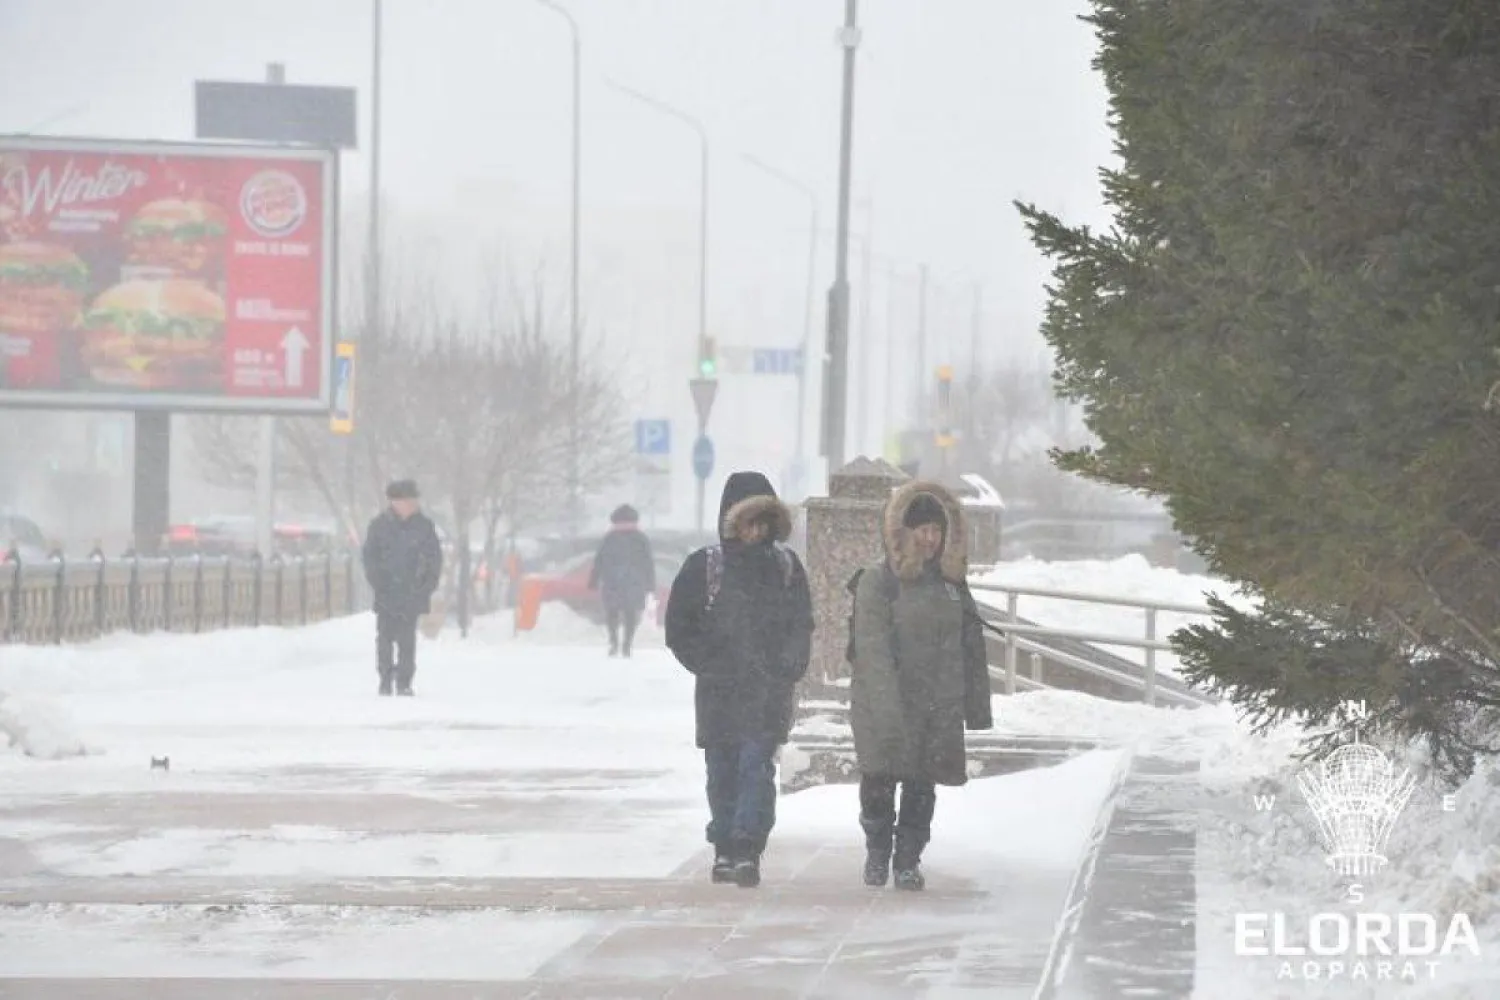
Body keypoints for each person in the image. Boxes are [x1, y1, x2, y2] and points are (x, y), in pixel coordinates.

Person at [665, 472, 814, 888]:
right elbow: (679, 627)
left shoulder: (785, 567)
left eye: (764, 522)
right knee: (722, 771)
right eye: (749, 522)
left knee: (756, 767)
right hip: (719, 692)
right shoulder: (706, 566)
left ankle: (748, 846)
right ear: (732, 523)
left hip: (767, 692)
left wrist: (789, 664)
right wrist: (708, 663)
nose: (757, 532)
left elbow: (801, 623)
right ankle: (725, 845)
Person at [849, 480, 993, 891]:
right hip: (885, 703)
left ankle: (908, 859)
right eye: (922, 530)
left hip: (936, 707)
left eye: (937, 530)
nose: (930, 539)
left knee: (921, 788)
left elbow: (970, 648)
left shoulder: (950, 584)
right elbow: (872, 653)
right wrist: (888, 711)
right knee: (878, 783)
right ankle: (878, 851)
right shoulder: (879, 582)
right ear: (903, 532)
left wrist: (974, 707)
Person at [361, 479, 443, 696]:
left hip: (412, 591)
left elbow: (434, 558)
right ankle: (385, 678)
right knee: (385, 636)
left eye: (413, 500)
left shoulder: (424, 527)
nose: (411, 504)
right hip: (387, 590)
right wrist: (378, 582)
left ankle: (404, 680)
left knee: (407, 638)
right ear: (395, 502)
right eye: (407, 500)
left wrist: (427, 585)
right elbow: (370, 558)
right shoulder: (379, 526)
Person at [588, 504, 656, 657]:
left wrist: (594, 580)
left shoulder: (610, 538)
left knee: (612, 613)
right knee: (630, 614)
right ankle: (627, 644)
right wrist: (650, 584)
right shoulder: (640, 539)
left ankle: (614, 642)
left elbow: (599, 560)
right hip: (634, 583)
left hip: (612, 582)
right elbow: (648, 563)